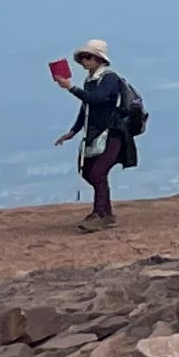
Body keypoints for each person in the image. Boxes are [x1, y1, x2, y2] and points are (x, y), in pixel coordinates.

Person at [54, 42, 147, 232]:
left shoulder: (109, 79)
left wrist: (71, 88)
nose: (83, 62)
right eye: (82, 58)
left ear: (99, 59)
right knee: (88, 170)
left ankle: (100, 213)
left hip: (113, 132)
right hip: (96, 132)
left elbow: (99, 100)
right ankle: (105, 211)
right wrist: (73, 131)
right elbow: (86, 107)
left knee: (97, 172)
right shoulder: (91, 80)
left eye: (87, 57)